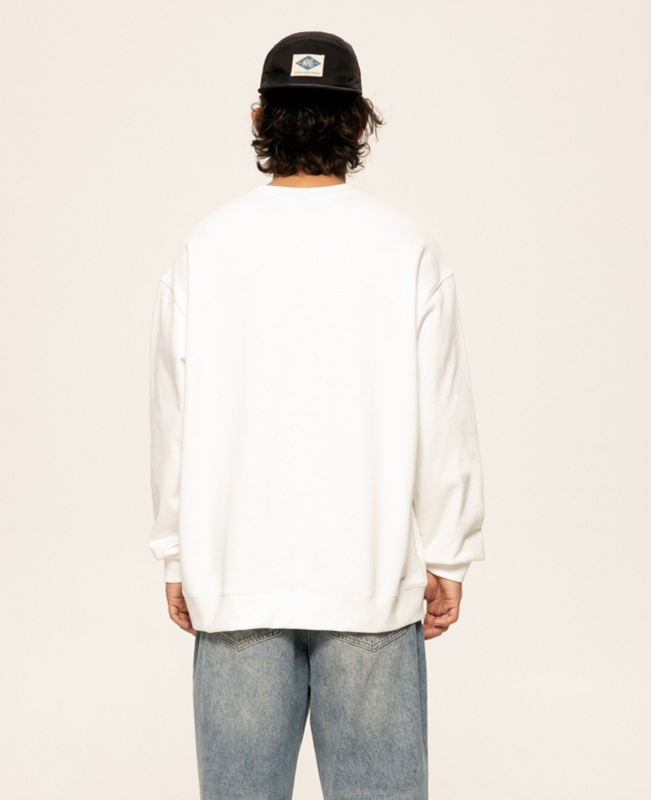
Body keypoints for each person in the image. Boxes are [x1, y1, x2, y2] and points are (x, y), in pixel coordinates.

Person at [147, 30, 487, 800]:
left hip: (236, 583)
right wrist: (450, 552)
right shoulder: (406, 248)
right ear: (359, 122)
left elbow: (173, 415)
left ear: (259, 117)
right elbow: (444, 413)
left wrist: (175, 553)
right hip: (369, 585)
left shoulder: (206, 249)